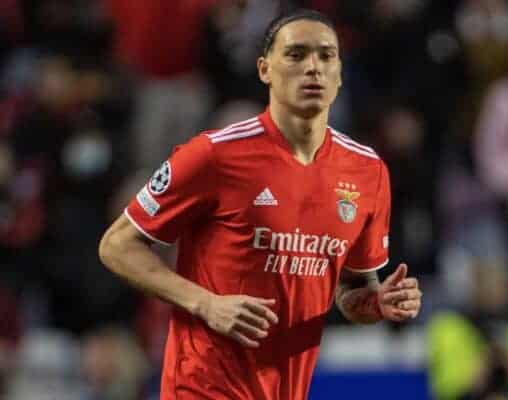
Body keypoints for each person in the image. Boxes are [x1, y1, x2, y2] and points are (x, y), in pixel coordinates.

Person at [99, 9, 422, 400]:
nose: (313, 68)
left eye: (326, 56)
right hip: (201, 388)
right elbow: (117, 245)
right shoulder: (214, 155)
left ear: (339, 73)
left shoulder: (367, 172)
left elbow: (352, 294)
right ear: (265, 69)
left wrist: (378, 302)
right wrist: (205, 303)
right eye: (296, 55)